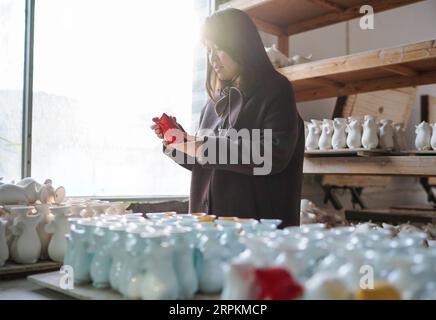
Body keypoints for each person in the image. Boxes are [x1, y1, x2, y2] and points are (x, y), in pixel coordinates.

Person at [151, 8, 304, 227]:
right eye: (209, 50)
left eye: (219, 48)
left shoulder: (275, 90)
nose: (212, 58)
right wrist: (178, 142)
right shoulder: (212, 104)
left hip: (257, 230)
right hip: (209, 226)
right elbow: (206, 165)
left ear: (241, 45)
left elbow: (272, 156)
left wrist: (202, 146)